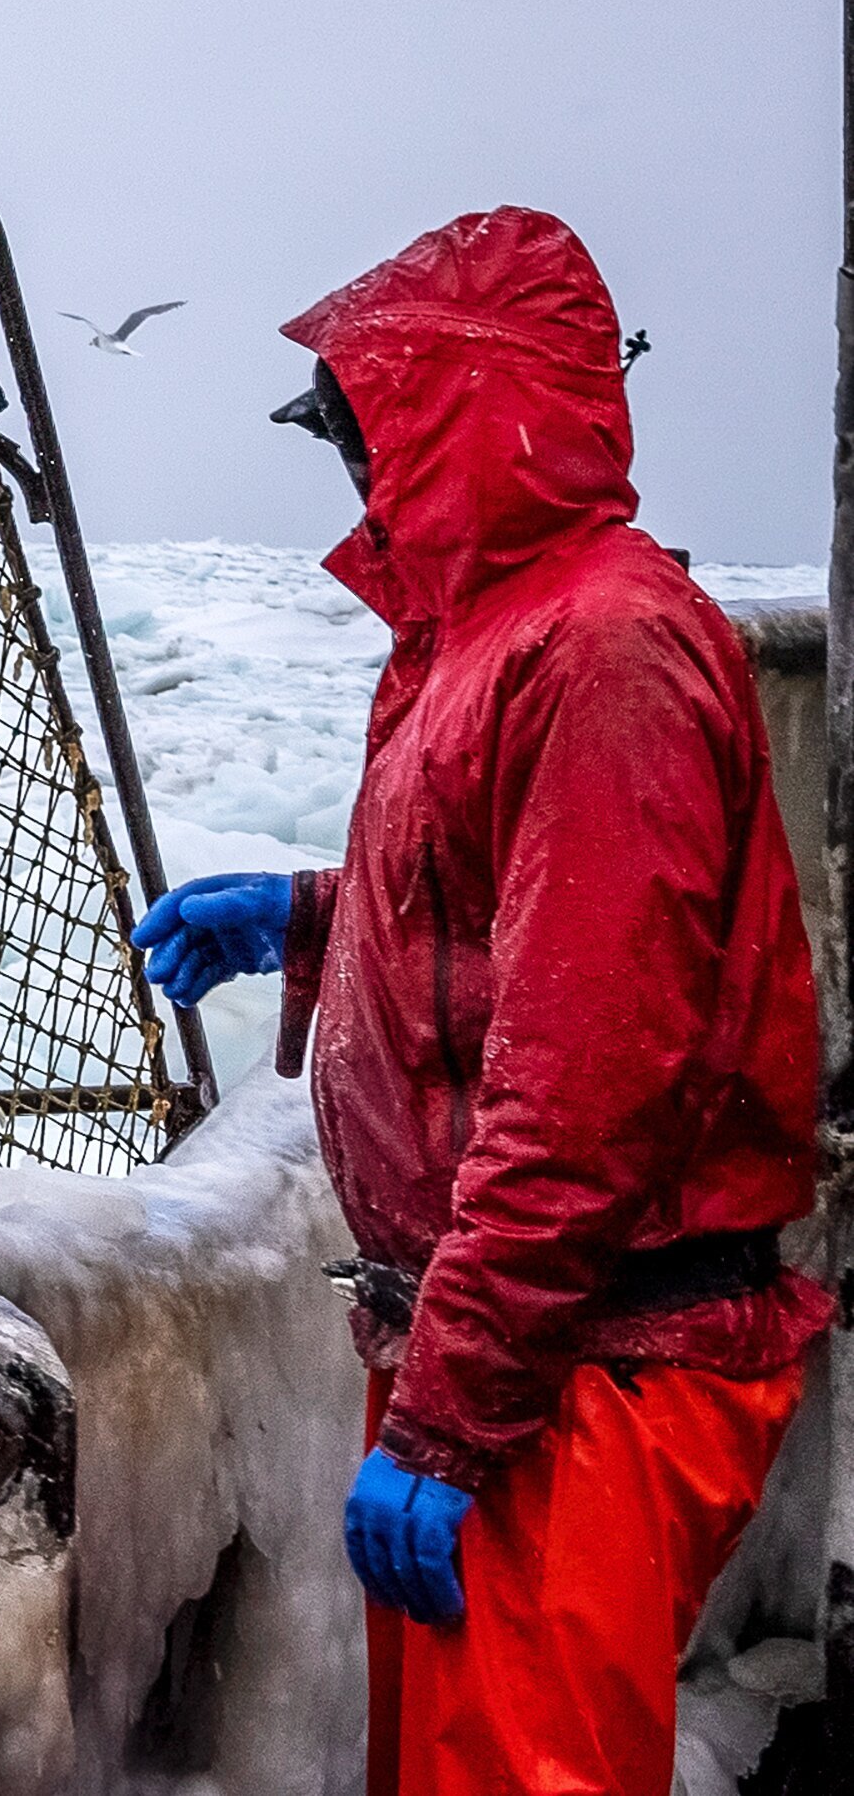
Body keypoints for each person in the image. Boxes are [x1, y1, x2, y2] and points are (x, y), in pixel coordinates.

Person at [129, 207, 829, 1795]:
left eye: (369, 428)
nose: (358, 473)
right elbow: (513, 917)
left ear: (461, 412)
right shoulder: (509, 630)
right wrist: (307, 921)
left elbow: (591, 1075)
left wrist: (452, 1411)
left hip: (580, 1374)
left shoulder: (600, 648)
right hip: (537, 1356)